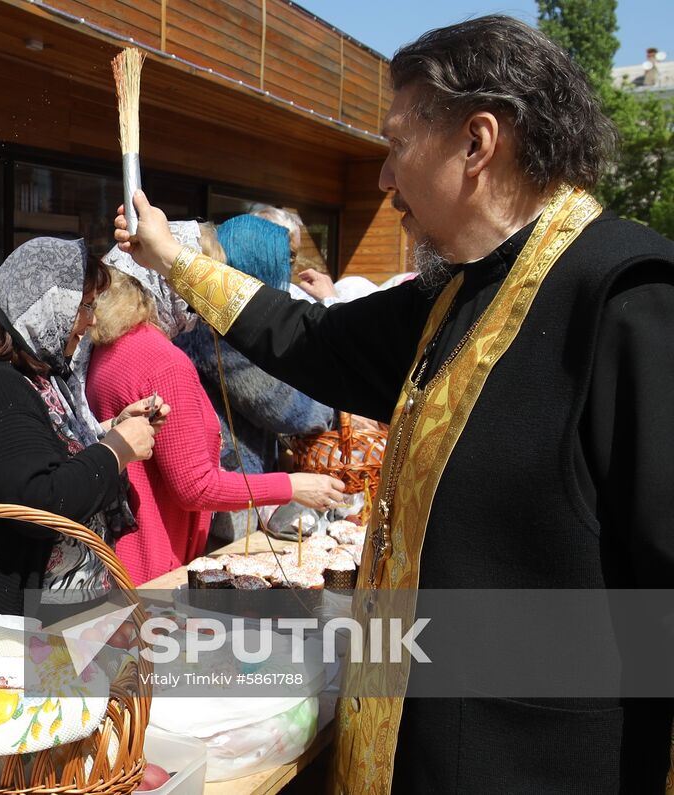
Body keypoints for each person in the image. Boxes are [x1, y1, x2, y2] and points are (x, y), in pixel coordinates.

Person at [116, 15, 674, 792]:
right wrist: (174, 258)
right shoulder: (455, 296)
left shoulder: (629, 303)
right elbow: (313, 341)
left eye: (396, 144)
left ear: (477, 142)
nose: (382, 179)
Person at [87, 224, 345, 584]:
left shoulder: (112, 345)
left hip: (121, 552)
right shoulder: (161, 359)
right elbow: (196, 487)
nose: (210, 298)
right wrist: (292, 486)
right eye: (201, 281)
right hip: (154, 560)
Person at [0, 237, 165, 618]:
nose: (91, 320)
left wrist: (109, 431)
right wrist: (117, 448)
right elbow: (41, 500)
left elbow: (42, 456)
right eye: (84, 305)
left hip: (59, 611)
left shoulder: (33, 373)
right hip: (17, 625)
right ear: (46, 304)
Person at [173, 214, 334, 542]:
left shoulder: (214, 323)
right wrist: (338, 408)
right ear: (257, 265)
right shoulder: (221, 333)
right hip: (227, 504)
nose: (285, 278)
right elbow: (286, 407)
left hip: (241, 489)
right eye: (281, 264)